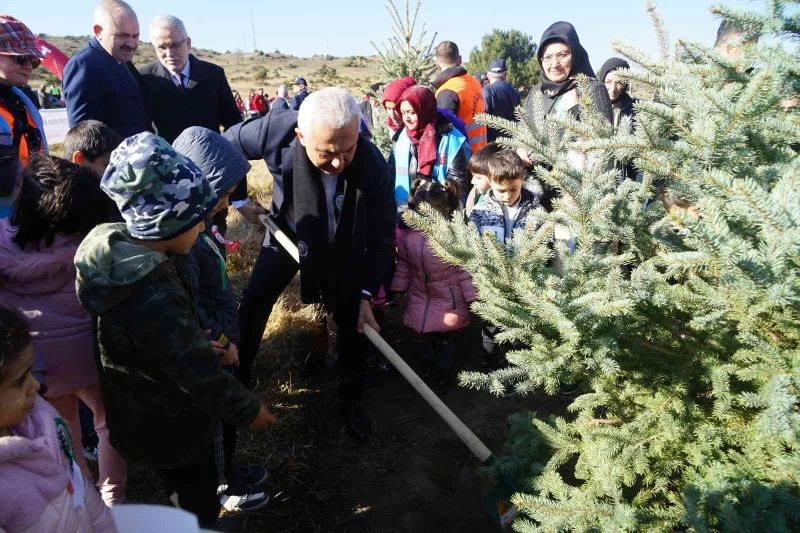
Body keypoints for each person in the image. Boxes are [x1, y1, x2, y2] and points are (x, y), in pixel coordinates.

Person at [73, 132, 277, 527]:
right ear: (165, 223)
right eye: (195, 220)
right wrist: (249, 411)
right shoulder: (151, 292)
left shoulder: (141, 260)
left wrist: (203, 338)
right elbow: (195, 371)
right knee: (195, 496)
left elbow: (171, 334)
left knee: (183, 488)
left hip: (149, 417)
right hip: (171, 421)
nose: (203, 228)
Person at [224, 87, 395, 440]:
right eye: (327, 153)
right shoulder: (275, 131)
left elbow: (382, 236)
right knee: (256, 299)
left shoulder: (372, 164)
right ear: (301, 137)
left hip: (344, 244)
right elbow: (225, 145)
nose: (339, 163)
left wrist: (366, 291)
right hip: (289, 233)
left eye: (348, 149)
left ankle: (352, 398)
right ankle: (238, 376)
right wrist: (238, 199)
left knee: (351, 318)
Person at [0, 154, 127, 507]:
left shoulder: (3, 243)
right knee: (107, 421)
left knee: (65, 425)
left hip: (38, 363)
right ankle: (113, 495)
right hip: (88, 354)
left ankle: (85, 495)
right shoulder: (92, 246)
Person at [0, 306, 116, 533]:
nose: (35, 385)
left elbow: (78, 486)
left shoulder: (42, 417)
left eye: (31, 371)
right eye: (19, 381)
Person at [390, 180, 476, 392]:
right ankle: (427, 363)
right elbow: (404, 263)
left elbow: (463, 269)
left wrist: (471, 297)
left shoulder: (453, 236)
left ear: (444, 210)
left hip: (448, 294)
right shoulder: (410, 235)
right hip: (420, 291)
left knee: (446, 334)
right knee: (419, 331)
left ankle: (444, 370)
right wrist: (399, 287)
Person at [468, 149, 543, 367]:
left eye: (513, 189)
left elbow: (545, 243)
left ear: (522, 180)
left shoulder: (535, 210)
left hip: (523, 284)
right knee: (492, 328)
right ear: (490, 182)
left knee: (520, 330)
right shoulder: (481, 212)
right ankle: (491, 366)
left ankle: (517, 369)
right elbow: (472, 245)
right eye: (501, 190)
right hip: (492, 285)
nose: (508, 196)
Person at [139, 15, 242, 144]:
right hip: (167, 156)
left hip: (209, 155)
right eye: (162, 47)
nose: (169, 53)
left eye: (174, 45)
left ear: (188, 43)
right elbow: (141, 131)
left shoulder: (214, 75)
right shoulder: (144, 79)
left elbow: (233, 124)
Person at [62, 0, 150, 138]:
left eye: (135, 36)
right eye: (122, 36)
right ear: (98, 31)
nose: (131, 44)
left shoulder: (122, 61)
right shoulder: (84, 65)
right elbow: (84, 135)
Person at [390, 85, 469, 208]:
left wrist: (436, 198)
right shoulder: (401, 138)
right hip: (405, 210)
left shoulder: (450, 138)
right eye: (403, 112)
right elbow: (391, 174)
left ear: (425, 110)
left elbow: (458, 180)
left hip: (440, 209)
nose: (406, 118)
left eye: (412, 112)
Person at [0, 15, 48, 219]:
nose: (28, 66)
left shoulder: (21, 100)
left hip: (26, 209)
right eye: (20, 58)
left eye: (33, 60)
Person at [523, 22, 612, 124]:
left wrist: (574, 109)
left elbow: (603, 132)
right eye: (548, 57)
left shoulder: (592, 89)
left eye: (562, 55)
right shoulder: (537, 92)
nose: (555, 64)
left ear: (575, 55)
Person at [432, 40, 488, 153]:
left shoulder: (447, 92)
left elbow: (445, 135)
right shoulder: (475, 83)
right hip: (481, 154)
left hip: (463, 157)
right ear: (460, 59)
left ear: (437, 64)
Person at [598, 57, 639, 182]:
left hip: (625, 179)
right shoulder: (591, 105)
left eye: (619, 83)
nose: (613, 88)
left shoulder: (635, 109)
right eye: (608, 82)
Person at [482, 59, 521, 142]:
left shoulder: (487, 91)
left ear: (488, 74)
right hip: (513, 142)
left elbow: (483, 119)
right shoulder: (515, 92)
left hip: (493, 143)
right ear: (505, 74)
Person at [465, 142, 502, 216]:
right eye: (473, 176)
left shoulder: (500, 204)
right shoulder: (475, 192)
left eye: (478, 178)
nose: (472, 181)